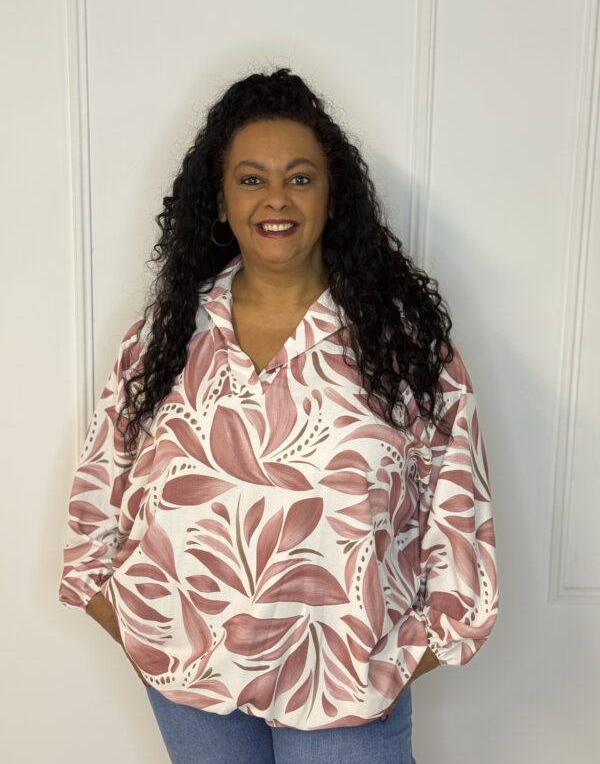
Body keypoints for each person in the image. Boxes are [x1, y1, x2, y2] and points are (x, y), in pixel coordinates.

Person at [57, 68, 499, 763]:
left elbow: (458, 506)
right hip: (190, 687)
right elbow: (100, 487)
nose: (276, 198)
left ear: (332, 195)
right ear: (221, 199)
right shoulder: (166, 334)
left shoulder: (404, 344)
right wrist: (135, 625)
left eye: (299, 177)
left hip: (347, 691)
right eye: (251, 179)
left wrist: (411, 654)